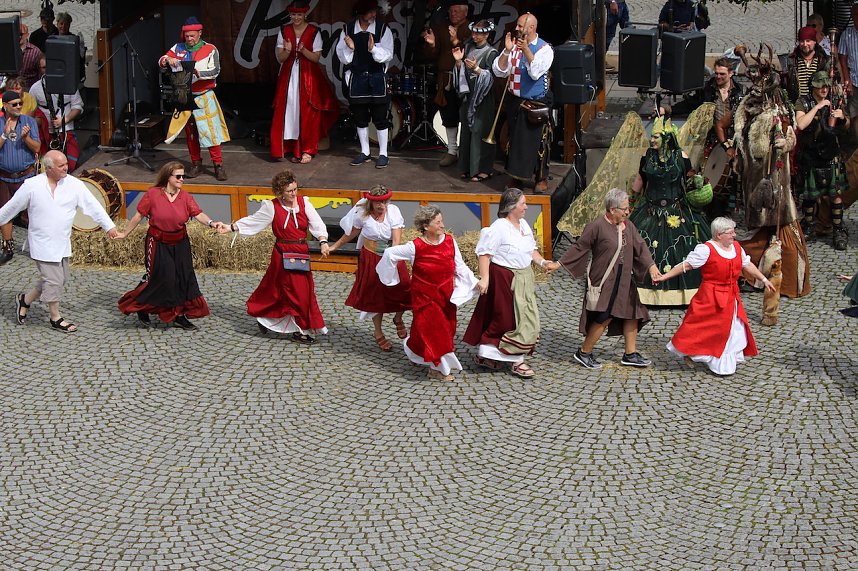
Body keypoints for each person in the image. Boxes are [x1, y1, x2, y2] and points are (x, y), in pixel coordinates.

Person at [0, 150, 118, 333]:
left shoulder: (75, 185)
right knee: (54, 280)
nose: (66, 168)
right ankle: (55, 317)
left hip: (62, 242)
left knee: (59, 279)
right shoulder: (31, 186)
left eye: (66, 164)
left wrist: (109, 227)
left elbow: (93, 206)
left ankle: (24, 300)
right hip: (41, 242)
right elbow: (11, 208)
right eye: (61, 165)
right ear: (49, 168)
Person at [733, 46, 811, 301]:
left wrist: (784, 143)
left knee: (786, 235)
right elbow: (741, 140)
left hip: (777, 183)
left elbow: (791, 136)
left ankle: (785, 282)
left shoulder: (779, 113)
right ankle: (753, 277)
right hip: (756, 181)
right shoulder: (746, 110)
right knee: (760, 235)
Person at [654, 217, 777, 376]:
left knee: (733, 328)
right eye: (730, 232)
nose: (734, 235)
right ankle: (694, 353)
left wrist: (764, 279)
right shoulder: (706, 250)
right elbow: (686, 266)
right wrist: (664, 277)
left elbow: (747, 264)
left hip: (731, 296)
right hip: (710, 296)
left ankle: (723, 362)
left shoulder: (736, 247)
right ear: (719, 235)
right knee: (703, 327)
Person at [219, 170, 330, 343]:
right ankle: (302, 331)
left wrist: (323, 241)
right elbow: (254, 220)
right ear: (280, 192)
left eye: (295, 189)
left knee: (300, 292)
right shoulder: (272, 206)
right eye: (289, 191)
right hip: (282, 253)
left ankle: (269, 318)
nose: (293, 194)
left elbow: (317, 224)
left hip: (300, 253)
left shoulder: (304, 203)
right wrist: (231, 227)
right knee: (283, 290)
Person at [558, 188, 662, 369]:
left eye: (628, 208)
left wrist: (651, 266)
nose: (627, 212)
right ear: (612, 209)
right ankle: (584, 352)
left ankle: (630, 354)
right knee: (604, 315)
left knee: (632, 313)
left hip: (624, 279)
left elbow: (640, 246)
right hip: (605, 279)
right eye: (624, 209)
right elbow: (580, 247)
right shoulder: (597, 226)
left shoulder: (628, 226)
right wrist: (558, 264)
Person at [463, 188, 561, 378]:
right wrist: (485, 278)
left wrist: (543, 262)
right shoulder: (498, 228)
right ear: (511, 207)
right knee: (508, 320)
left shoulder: (523, 225)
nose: (526, 207)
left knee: (524, 317)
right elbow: (484, 254)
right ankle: (517, 361)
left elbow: (531, 250)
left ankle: (490, 355)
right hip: (503, 278)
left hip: (523, 278)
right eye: (523, 203)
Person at [376, 205, 478, 382]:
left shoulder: (450, 241)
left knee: (444, 330)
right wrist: (390, 279)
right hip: (424, 299)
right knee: (434, 333)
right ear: (426, 226)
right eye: (438, 222)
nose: (442, 225)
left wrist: (475, 282)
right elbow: (390, 254)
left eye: (442, 221)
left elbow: (460, 266)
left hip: (446, 297)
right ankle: (437, 369)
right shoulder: (415, 246)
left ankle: (416, 352)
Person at [116, 161, 221, 330]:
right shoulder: (153, 194)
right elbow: (138, 216)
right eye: (178, 176)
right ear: (168, 177)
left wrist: (211, 223)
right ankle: (141, 308)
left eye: (183, 176)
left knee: (182, 277)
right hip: (158, 242)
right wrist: (124, 233)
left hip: (180, 242)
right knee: (161, 278)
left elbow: (198, 213)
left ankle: (179, 315)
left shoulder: (185, 196)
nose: (182, 179)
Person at [629, 114, 710, 306]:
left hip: (677, 209)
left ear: (666, 138)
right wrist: (630, 202)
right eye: (652, 136)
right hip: (650, 209)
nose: (652, 140)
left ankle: (686, 292)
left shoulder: (681, 156)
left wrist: (699, 183)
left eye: (656, 136)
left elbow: (689, 180)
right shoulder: (647, 157)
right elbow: (640, 180)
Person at [327, 184, 411, 351]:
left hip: (391, 255)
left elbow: (396, 241)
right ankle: (378, 332)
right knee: (375, 296)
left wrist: (392, 262)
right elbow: (351, 233)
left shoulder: (393, 212)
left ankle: (398, 318)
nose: (382, 206)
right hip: (371, 257)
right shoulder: (362, 214)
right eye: (378, 203)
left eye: (385, 202)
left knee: (404, 288)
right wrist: (334, 247)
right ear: (371, 202)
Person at [159, 17, 230, 181]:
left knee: (211, 132)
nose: (189, 39)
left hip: (204, 95)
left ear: (200, 33)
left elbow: (216, 71)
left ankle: (218, 165)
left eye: (192, 35)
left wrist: (199, 73)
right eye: (187, 36)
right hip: (185, 96)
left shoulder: (210, 49)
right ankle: (196, 164)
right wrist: (167, 59)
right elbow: (161, 61)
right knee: (191, 133)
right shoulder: (178, 48)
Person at [270, 0, 339, 164]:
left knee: (308, 112)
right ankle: (287, 147)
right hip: (288, 77)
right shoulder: (284, 30)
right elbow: (281, 58)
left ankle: (307, 149)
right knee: (288, 111)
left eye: (299, 14)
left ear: (305, 14)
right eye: (293, 14)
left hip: (308, 77)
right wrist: (288, 50)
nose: (296, 17)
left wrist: (303, 50)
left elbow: (316, 58)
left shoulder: (314, 31)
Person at [492, 12, 554, 193]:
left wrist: (526, 49)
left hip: (536, 102)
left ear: (531, 28)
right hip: (515, 101)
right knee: (515, 141)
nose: (516, 28)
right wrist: (507, 51)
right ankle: (517, 177)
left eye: (520, 25)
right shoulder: (514, 46)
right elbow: (499, 71)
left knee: (539, 141)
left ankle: (541, 178)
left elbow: (535, 73)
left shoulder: (544, 49)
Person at [794, 70, 850, 251]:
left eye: (826, 86)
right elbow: (801, 124)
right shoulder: (803, 102)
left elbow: (847, 126)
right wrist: (818, 107)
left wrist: (843, 118)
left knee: (835, 195)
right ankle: (809, 228)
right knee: (810, 195)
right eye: (820, 87)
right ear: (813, 87)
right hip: (811, 155)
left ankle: (838, 230)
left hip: (831, 153)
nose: (824, 90)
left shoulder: (835, 99)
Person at [336, 0, 394, 169]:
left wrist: (373, 49)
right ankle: (365, 152)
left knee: (380, 118)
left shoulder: (382, 29)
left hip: (377, 78)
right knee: (360, 118)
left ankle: (383, 154)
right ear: (360, 13)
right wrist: (350, 48)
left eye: (374, 11)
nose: (373, 14)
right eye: (369, 12)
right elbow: (343, 57)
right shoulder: (347, 29)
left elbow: (388, 54)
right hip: (357, 79)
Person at [422, 0, 470, 167]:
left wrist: (456, 41)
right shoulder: (441, 28)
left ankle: (467, 152)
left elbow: (473, 52)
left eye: (456, 11)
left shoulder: (472, 28)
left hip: (466, 80)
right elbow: (431, 55)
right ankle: (452, 151)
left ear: (465, 12)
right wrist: (432, 44)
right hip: (446, 79)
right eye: (450, 11)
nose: (452, 14)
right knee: (449, 116)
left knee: (466, 116)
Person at [452, 19, 498, 182]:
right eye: (474, 33)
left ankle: (483, 169)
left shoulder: (491, 53)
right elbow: (463, 73)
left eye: (478, 34)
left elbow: (492, 77)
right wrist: (458, 61)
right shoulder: (469, 48)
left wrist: (477, 69)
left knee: (480, 131)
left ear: (486, 35)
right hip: (469, 95)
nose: (474, 36)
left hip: (482, 98)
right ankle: (466, 167)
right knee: (466, 131)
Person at [0, 90, 40, 265]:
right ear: (5, 106)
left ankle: (37, 246)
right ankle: (7, 247)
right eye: (14, 104)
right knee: (5, 212)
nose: (18, 107)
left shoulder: (29, 122)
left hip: (26, 176)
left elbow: (37, 147)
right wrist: (4, 135)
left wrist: (25, 138)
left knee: (33, 213)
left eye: (20, 104)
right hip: (5, 177)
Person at [28, 56, 85, 171]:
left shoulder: (68, 84)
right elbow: (31, 112)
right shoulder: (35, 88)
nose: (47, 70)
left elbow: (78, 106)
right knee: (47, 167)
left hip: (66, 130)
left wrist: (64, 120)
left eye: (49, 67)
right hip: (45, 134)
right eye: (44, 67)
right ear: (39, 69)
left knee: (69, 165)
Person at [3, 77, 51, 157]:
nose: (14, 91)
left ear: (23, 89)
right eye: (11, 89)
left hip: (26, 133)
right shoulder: (2, 100)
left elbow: (38, 118)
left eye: (17, 89)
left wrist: (31, 122)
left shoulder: (29, 98)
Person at [784, 26, 831, 101]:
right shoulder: (791, 60)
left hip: (818, 103)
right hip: (797, 103)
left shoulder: (824, 60)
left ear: (814, 41)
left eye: (808, 41)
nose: (805, 44)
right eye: (802, 41)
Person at [838, 2, 858, 140]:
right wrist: (847, 80)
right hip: (854, 80)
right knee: (855, 114)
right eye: (855, 15)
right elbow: (843, 60)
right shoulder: (847, 34)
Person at [56, 12, 87, 84]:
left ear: (69, 25)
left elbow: (80, 58)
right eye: (61, 24)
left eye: (66, 24)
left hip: (72, 75)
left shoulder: (74, 39)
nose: (63, 26)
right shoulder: (52, 39)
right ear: (57, 24)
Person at [18, 24, 43, 91]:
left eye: (21, 34)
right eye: (16, 34)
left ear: (27, 35)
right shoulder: (10, 50)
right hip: (13, 88)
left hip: (29, 88)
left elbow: (41, 73)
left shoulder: (35, 52)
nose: (19, 36)